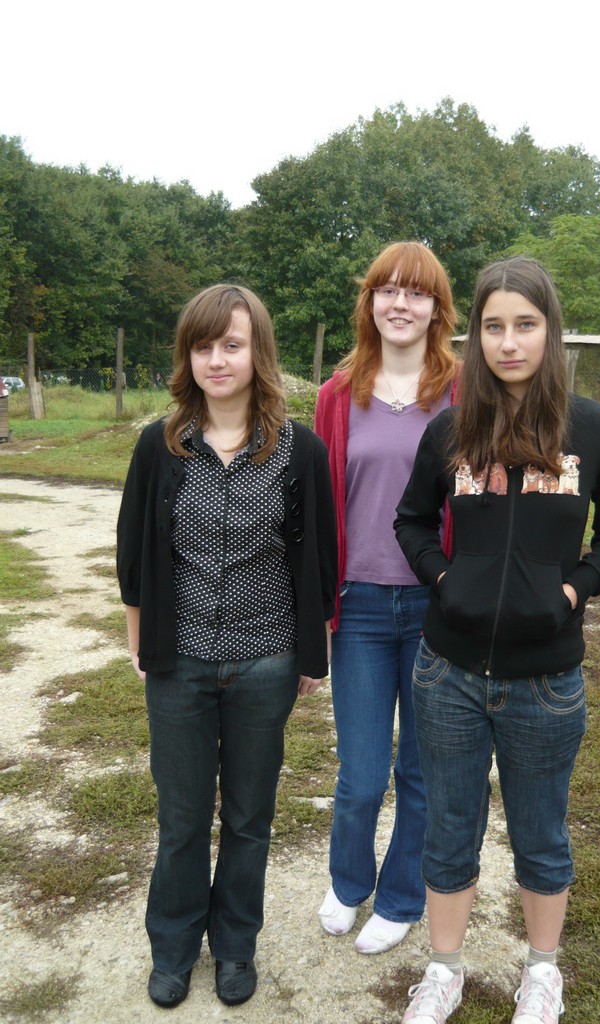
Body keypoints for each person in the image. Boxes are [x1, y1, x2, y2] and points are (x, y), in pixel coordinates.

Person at [394, 257, 600, 1023]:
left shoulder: (592, 430)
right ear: (475, 335)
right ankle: (443, 970)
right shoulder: (451, 429)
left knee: (541, 834)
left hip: (546, 681)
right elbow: (411, 521)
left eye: (525, 325)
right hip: (448, 674)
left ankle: (542, 974)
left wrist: (573, 590)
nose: (508, 342)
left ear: (550, 331)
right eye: (493, 326)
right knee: (449, 830)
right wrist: (445, 581)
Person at [117, 284, 336, 1009]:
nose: (217, 359)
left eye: (232, 345)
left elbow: (318, 557)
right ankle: (174, 947)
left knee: (248, 817)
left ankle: (236, 944)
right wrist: (140, 642)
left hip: (265, 660)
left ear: (257, 353)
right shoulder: (160, 446)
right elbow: (132, 550)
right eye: (204, 346)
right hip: (178, 661)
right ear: (188, 357)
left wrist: (310, 655)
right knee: (182, 819)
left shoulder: (299, 450)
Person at [314, 241, 459, 954]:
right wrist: (316, 606)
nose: (401, 303)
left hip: (439, 608)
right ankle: (348, 882)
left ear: (437, 308)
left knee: (422, 772)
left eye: (417, 292)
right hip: (361, 608)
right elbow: (318, 509)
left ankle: (401, 898)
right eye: (387, 289)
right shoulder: (338, 395)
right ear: (370, 302)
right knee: (363, 772)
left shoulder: (466, 393)